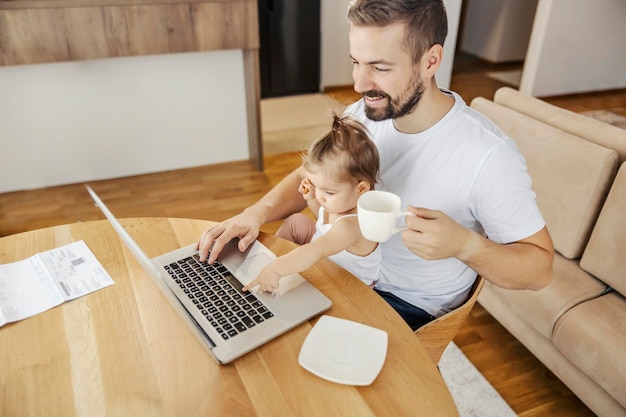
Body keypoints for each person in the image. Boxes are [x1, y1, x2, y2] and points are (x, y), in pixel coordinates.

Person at [197, 0, 554, 330]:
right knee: (240, 317)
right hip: (344, 271)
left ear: (430, 61)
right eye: (357, 62)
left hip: (405, 304)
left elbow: (539, 270)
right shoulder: (365, 113)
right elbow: (315, 173)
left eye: (380, 67)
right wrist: (254, 213)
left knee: (277, 347)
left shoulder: (489, 155)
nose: (359, 83)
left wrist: (466, 246)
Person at [242, 113, 380, 293]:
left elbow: (317, 249)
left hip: (349, 288)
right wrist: (311, 199)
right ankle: (269, 263)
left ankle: (276, 268)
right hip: (328, 265)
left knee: (304, 260)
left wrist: (277, 268)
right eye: (317, 186)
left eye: (329, 191)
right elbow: (323, 223)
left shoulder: (354, 225)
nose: (321, 196)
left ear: (361, 189)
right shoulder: (337, 203)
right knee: (296, 221)